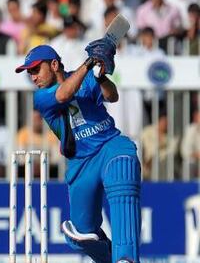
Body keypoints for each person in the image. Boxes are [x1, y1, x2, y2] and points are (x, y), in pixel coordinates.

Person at [15, 43, 141, 262]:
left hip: (109, 145)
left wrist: (101, 77)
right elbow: (64, 95)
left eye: (36, 69)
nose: (33, 77)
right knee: (83, 234)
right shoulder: (41, 97)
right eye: (30, 72)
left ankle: (126, 257)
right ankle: (109, 256)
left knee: (123, 165)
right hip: (81, 163)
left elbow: (113, 96)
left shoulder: (85, 77)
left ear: (54, 64)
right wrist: (89, 63)